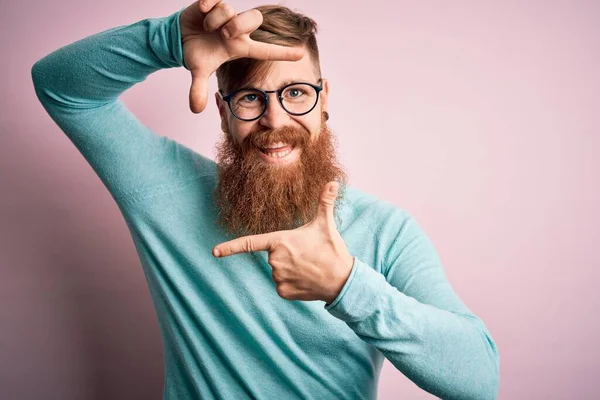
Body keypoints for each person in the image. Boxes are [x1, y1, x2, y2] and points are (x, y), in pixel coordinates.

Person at [31, 1, 500, 399]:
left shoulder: (387, 230)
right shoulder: (166, 190)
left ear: (323, 99)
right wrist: (167, 40)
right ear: (223, 113)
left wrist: (347, 286)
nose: (275, 120)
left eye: (296, 92)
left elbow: (478, 378)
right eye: (251, 98)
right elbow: (62, 88)